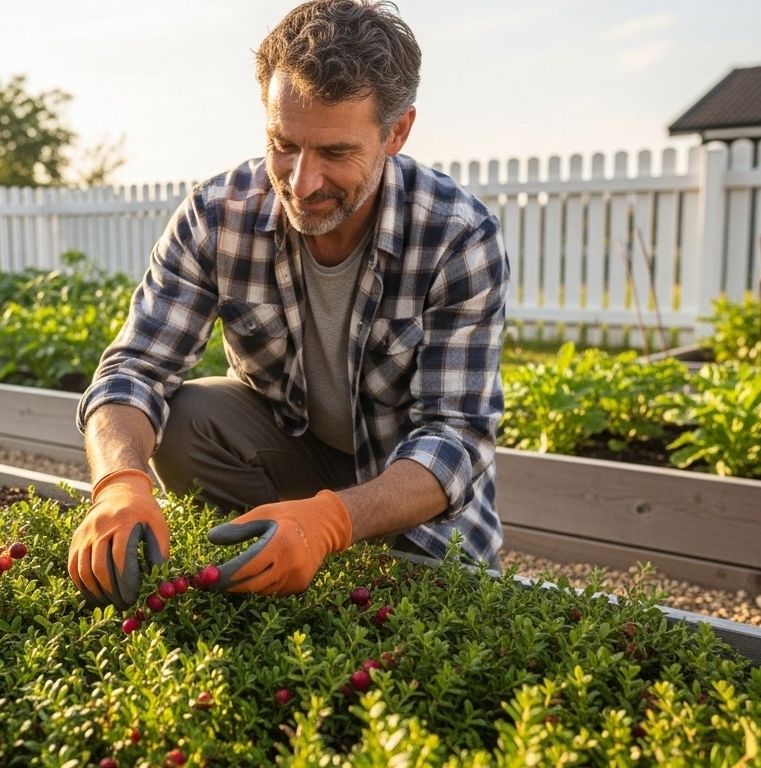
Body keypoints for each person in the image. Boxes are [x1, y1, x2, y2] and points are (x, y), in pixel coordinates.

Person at [67, 0, 509, 610]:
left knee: (411, 614)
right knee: (188, 414)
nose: (301, 182)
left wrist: (332, 521)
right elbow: (134, 369)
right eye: (284, 144)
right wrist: (119, 483)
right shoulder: (218, 215)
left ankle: (315, 541)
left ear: (396, 132)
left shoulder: (456, 235)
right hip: (294, 456)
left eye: (335, 153)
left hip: (414, 510)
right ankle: (270, 545)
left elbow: (457, 437)